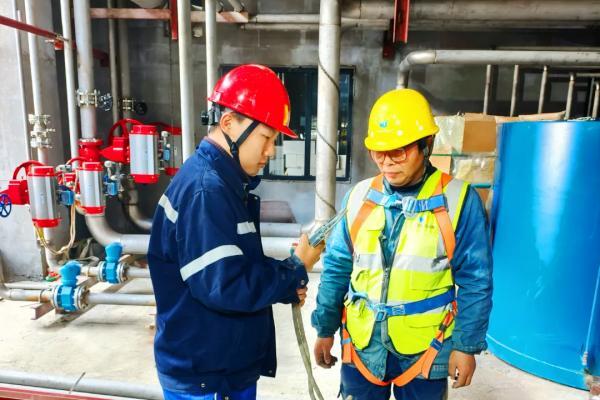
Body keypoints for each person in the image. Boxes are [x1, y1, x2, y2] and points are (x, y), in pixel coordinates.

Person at [148, 64, 324, 400]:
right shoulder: (207, 191)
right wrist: (294, 268)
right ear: (229, 123)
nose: (271, 151)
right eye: (266, 138)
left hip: (219, 365)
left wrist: (284, 282)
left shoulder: (224, 184)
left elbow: (235, 266)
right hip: (209, 376)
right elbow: (224, 286)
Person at [311, 88, 493, 400]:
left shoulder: (459, 200)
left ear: (427, 144)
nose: (387, 163)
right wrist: (325, 328)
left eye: (398, 152)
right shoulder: (359, 197)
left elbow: (476, 281)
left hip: (426, 347)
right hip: (363, 344)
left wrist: (465, 346)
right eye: (379, 153)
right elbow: (337, 268)